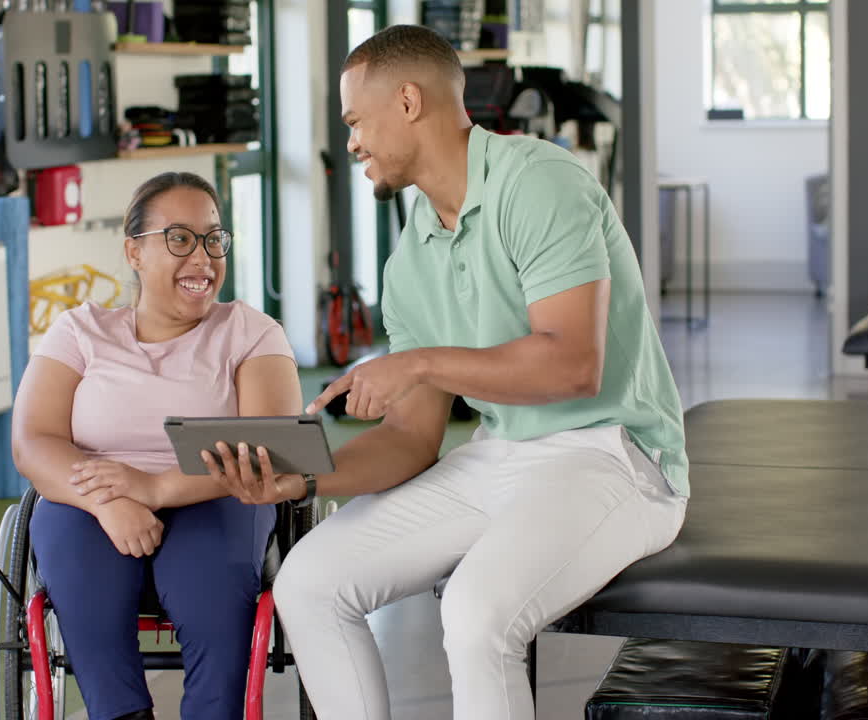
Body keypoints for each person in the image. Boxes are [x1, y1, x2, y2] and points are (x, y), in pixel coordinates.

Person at [208, 25, 691, 720]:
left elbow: (574, 363)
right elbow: (411, 438)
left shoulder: (539, 182)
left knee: (475, 611)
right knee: (309, 581)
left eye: (355, 121)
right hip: (499, 457)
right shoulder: (411, 262)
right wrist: (305, 478)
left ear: (408, 102)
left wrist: (419, 361)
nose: (351, 144)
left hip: (614, 456)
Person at [10, 171, 302, 720]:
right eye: (179, 238)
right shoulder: (80, 332)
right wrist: (109, 500)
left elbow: (271, 445)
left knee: (208, 589)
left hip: (217, 495)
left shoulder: (251, 332)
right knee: (75, 561)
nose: (203, 258)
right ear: (134, 252)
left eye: (214, 239)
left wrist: (155, 486)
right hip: (93, 497)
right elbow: (33, 441)